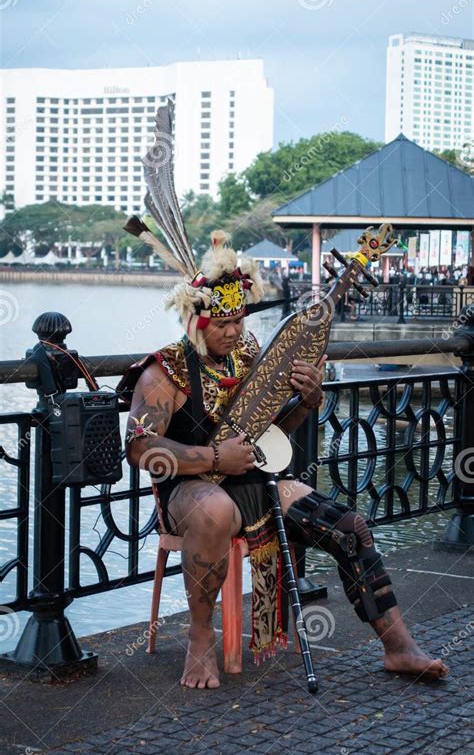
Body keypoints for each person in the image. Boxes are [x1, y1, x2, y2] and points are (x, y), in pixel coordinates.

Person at [118, 230, 448, 690]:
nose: (234, 331)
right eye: (223, 323)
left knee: (348, 526)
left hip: (253, 481)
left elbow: (272, 433)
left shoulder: (250, 355)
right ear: (195, 322)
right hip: (191, 488)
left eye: (239, 320)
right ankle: (199, 639)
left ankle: (399, 646)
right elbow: (139, 449)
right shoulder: (163, 371)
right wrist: (215, 456)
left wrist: (308, 401)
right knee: (213, 510)